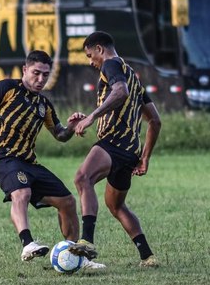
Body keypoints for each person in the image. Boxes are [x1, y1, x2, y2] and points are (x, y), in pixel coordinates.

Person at [0, 50, 103, 268]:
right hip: (1, 158)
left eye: (45, 75)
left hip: (28, 162)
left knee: (68, 202)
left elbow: (60, 135)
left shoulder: (44, 105)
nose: (40, 79)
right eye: (36, 73)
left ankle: (74, 257)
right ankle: (27, 244)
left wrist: (70, 127)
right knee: (21, 192)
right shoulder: (6, 88)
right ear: (25, 70)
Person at [68, 31, 162, 267]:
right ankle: (147, 256)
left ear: (100, 49)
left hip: (113, 142)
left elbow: (120, 92)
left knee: (82, 178)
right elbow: (155, 121)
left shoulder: (110, 65)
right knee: (116, 205)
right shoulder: (133, 75)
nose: (91, 62)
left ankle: (86, 240)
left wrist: (91, 117)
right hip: (130, 152)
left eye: (90, 56)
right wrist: (145, 158)